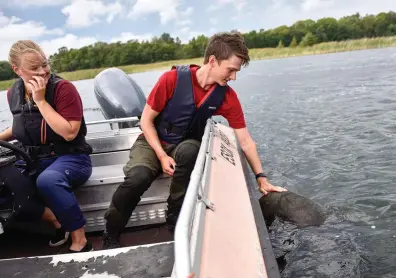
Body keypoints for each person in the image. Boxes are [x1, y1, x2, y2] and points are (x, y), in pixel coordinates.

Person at [101, 32, 287, 249]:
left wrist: (261, 178)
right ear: (212, 61)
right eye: (231, 70)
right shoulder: (170, 80)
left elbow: (245, 140)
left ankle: (175, 213)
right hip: (153, 142)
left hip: (184, 146)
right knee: (138, 178)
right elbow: (146, 121)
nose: (233, 77)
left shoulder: (227, 97)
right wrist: (161, 155)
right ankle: (112, 230)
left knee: (191, 151)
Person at [0, 40, 93, 253]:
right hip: (33, 158)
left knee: (48, 180)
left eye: (45, 64)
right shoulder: (11, 93)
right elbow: (20, 128)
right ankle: (54, 219)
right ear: (17, 70)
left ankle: (80, 239)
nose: (43, 72)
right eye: (35, 68)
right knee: (6, 186)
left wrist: (41, 101)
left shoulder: (64, 89)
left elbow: (69, 133)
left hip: (71, 157)